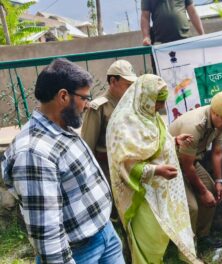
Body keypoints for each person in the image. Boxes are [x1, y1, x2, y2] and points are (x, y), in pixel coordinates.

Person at [1, 58, 124, 264]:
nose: (87, 105)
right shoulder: (34, 153)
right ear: (64, 96)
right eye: (85, 98)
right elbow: (48, 235)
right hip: (80, 253)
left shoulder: (60, 128)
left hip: (104, 234)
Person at [106, 74, 202, 264]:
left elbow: (154, 144)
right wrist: (156, 171)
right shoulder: (123, 123)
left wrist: (173, 141)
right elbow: (124, 164)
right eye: (157, 102)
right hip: (141, 195)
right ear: (145, 97)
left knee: (160, 236)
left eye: (162, 102)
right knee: (148, 240)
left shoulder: (151, 116)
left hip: (162, 190)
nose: (160, 107)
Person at [169, 91, 222, 248]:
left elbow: (217, 152)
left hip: (192, 161)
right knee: (192, 206)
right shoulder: (194, 125)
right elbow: (186, 166)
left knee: (212, 193)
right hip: (171, 165)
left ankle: (202, 237)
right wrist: (202, 192)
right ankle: (188, 246)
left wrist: (219, 181)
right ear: (214, 112)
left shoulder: (221, 119)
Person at [82, 59, 137, 181]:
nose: (132, 89)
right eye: (128, 85)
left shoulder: (132, 104)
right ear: (113, 81)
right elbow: (88, 145)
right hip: (107, 170)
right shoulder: (99, 107)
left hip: (131, 168)